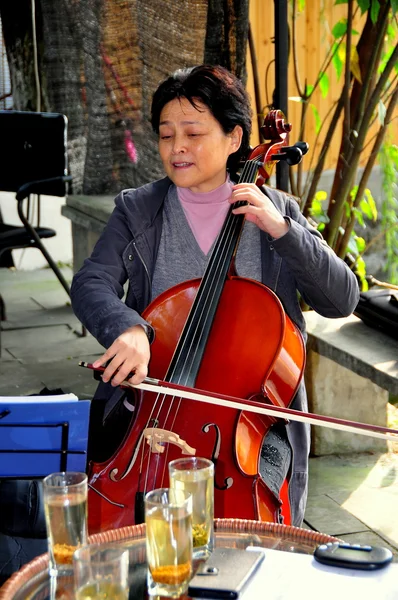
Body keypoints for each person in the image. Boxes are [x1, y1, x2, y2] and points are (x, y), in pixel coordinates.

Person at [71, 64, 360, 527]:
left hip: (246, 432)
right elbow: (91, 282)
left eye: (192, 132)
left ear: (234, 137)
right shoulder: (138, 208)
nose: (177, 147)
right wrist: (127, 328)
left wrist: (283, 231)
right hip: (152, 411)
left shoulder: (277, 213)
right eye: (166, 135)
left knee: (247, 542)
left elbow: (342, 299)